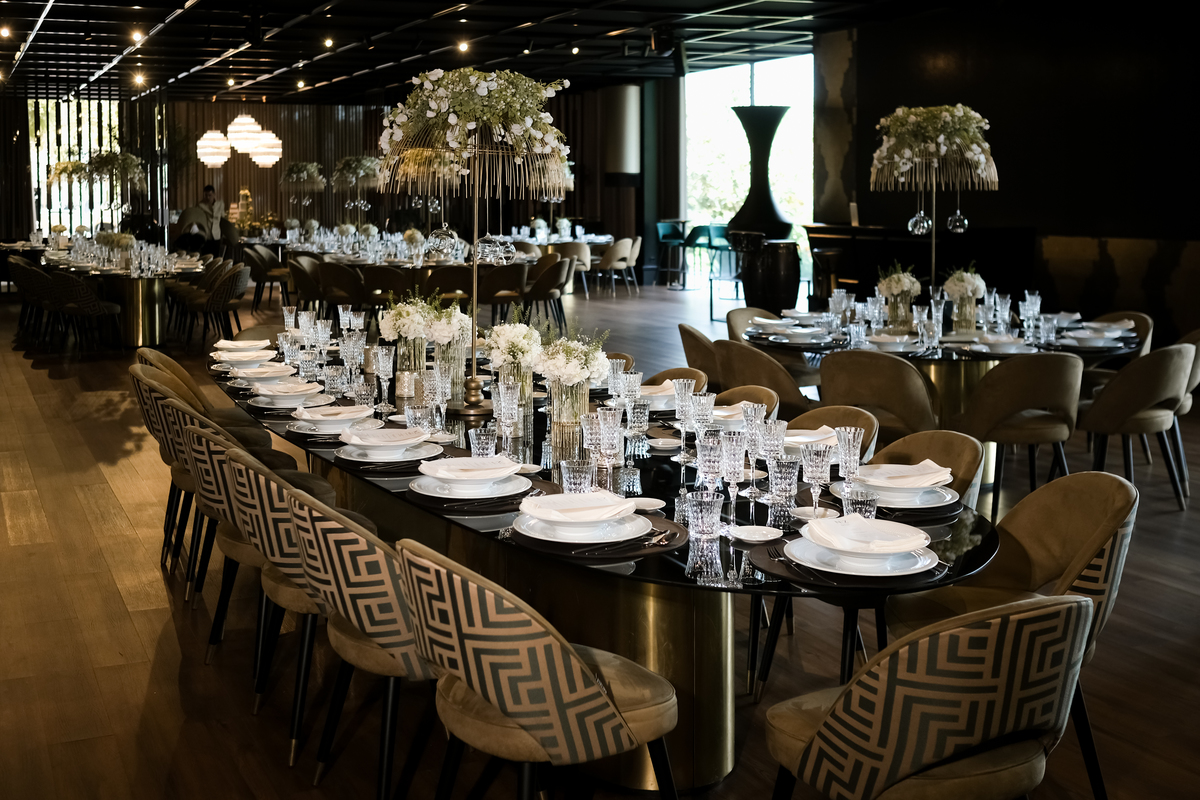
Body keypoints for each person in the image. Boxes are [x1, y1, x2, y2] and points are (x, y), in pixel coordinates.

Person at [175, 185, 226, 256]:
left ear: (214, 195)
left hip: (217, 235)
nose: (207, 197)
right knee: (206, 256)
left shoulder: (220, 204)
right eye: (206, 195)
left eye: (210, 195)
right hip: (206, 235)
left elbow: (223, 218)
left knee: (216, 256)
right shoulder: (200, 205)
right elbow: (195, 217)